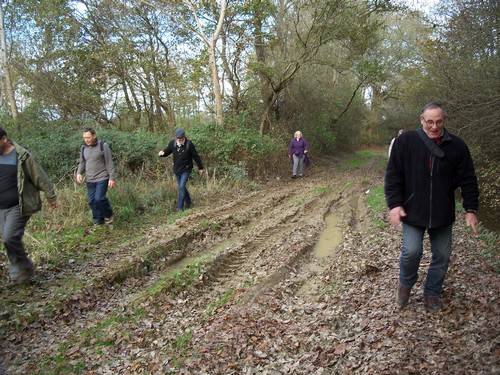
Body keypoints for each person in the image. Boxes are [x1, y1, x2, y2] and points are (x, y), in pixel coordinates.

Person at [385, 102, 479, 310]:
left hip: (442, 211)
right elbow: (393, 176)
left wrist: (470, 210)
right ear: (421, 120)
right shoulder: (405, 142)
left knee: (443, 255)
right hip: (413, 209)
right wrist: (394, 204)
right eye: (429, 122)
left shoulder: (457, 146)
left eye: (438, 122)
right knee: (411, 251)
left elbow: (468, 179)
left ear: (444, 121)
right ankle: (405, 283)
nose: (434, 127)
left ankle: (432, 293)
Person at [0, 127, 57, 285]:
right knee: (7, 240)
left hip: (19, 205)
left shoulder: (22, 156)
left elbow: (39, 176)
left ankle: (25, 268)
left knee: (10, 236)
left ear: (4, 139)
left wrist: (51, 196)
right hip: (1, 208)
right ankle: (16, 275)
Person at [76, 127, 116, 226]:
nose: (86, 140)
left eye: (88, 137)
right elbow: (82, 163)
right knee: (91, 201)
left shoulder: (103, 146)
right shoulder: (83, 148)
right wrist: (79, 173)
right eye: (84, 138)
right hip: (90, 179)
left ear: (94, 136)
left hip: (102, 177)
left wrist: (112, 178)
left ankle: (109, 215)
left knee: (99, 198)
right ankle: (98, 222)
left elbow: (109, 163)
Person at [158, 128, 204, 212]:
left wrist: (200, 168)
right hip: (177, 169)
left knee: (182, 186)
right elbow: (167, 151)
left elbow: (196, 156)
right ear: (175, 137)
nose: (179, 140)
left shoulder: (189, 144)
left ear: (184, 137)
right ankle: (189, 202)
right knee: (181, 187)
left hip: (186, 168)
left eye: (180, 138)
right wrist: (162, 153)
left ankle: (180, 207)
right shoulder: (173, 143)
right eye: (177, 138)